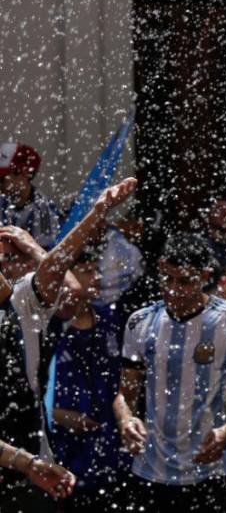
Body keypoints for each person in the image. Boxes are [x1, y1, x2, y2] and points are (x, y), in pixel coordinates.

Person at [0, 178, 136, 512]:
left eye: (11, 256)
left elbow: (62, 278)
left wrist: (97, 212)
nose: (5, 263)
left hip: (34, 474)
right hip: (25, 466)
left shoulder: (20, 305)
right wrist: (23, 462)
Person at [113, 233, 226, 512]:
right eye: (167, 279)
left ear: (204, 276)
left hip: (211, 469)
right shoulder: (140, 322)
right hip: (151, 469)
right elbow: (124, 395)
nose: (173, 290)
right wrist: (125, 420)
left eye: (184, 281)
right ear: (160, 269)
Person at [0, 143, 61, 249]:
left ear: (24, 174)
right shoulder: (3, 199)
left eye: (1, 178)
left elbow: (45, 255)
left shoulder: (43, 210)